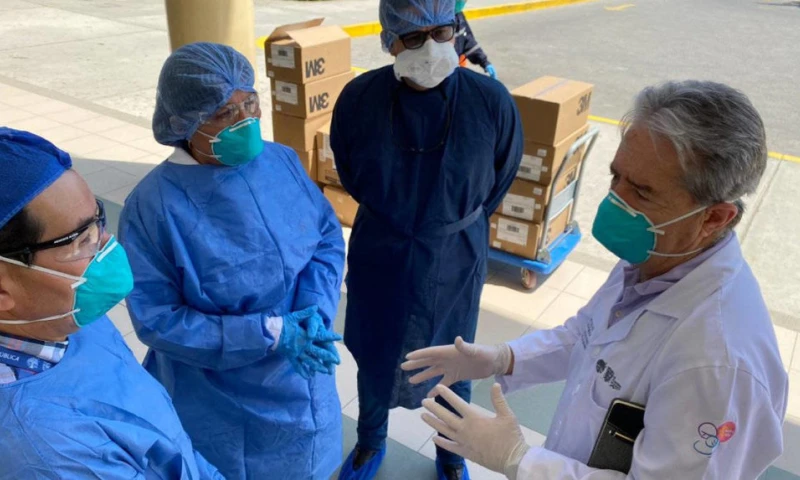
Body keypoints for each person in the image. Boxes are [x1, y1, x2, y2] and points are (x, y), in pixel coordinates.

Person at [403, 80, 789, 479]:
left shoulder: (718, 364)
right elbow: (585, 336)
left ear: (714, 217)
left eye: (640, 191)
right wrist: (503, 358)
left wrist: (520, 460)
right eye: (615, 177)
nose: (614, 201)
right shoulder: (655, 259)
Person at [118, 42, 345, 480]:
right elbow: (157, 319)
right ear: (184, 124)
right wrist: (269, 333)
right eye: (225, 114)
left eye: (250, 103)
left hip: (304, 371)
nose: (246, 121)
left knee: (313, 459)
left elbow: (325, 236)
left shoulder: (278, 160)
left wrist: (314, 309)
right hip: (222, 402)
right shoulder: (154, 207)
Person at [330, 0, 523, 477]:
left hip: (454, 256)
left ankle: (452, 453)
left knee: (456, 361)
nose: (432, 47)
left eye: (442, 32)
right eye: (414, 38)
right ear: (388, 40)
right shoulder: (359, 99)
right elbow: (351, 172)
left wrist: (443, 220)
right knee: (376, 355)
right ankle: (370, 443)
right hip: (382, 250)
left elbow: (499, 179)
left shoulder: (490, 102)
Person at [0, 127, 223, 479]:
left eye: (99, 220)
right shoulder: (47, 452)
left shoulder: (61, 317)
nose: (107, 244)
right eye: (80, 239)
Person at [454, 0, 497, 79]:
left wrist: (484, 62)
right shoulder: (437, 20)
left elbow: (468, 40)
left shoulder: (459, 15)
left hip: (457, 70)